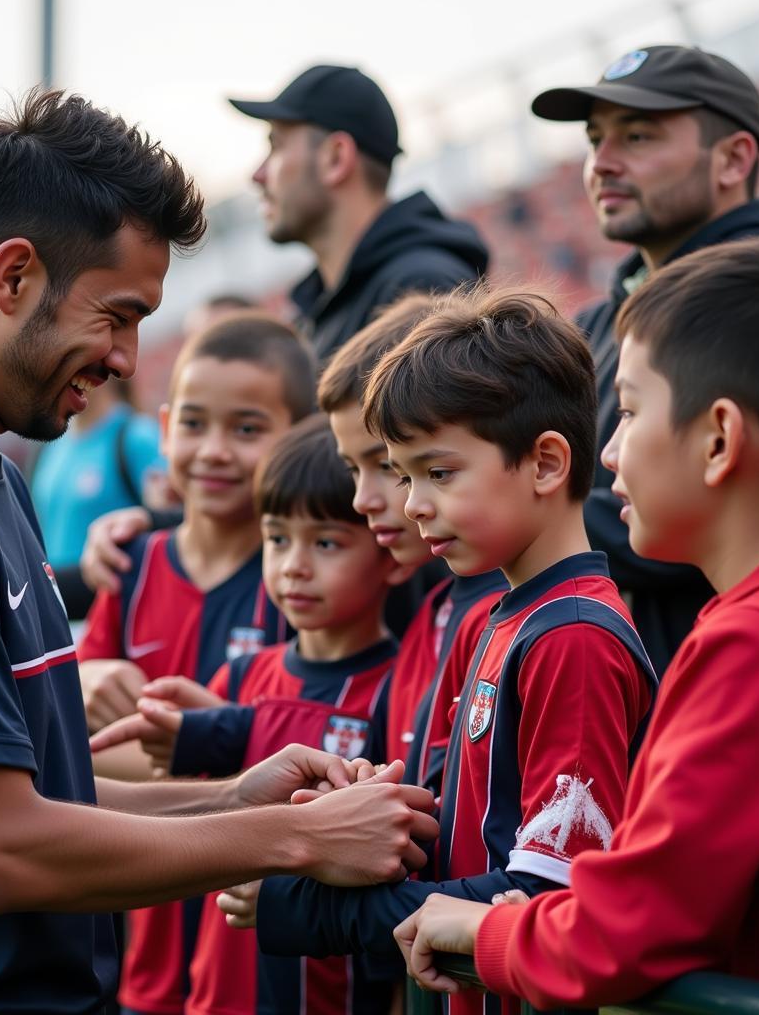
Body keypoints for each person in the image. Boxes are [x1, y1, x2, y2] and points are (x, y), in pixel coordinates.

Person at [0, 88, 440, 1014]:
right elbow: (4, 854)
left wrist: (242, 800)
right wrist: (298, 844)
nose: (127, 358)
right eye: (117, 315)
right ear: (12, 276)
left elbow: (44, 802)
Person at [393, 236, 759, 1004]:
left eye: (630, 411)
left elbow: (635, 924)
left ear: (718, 440)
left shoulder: (752, 640)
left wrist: (490, 933)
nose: (606, 452)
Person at [248, 286, 658, 1015]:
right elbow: (477, 846)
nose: (411, 504)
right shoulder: (503, 619)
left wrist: (311, 909)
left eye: (437, 473)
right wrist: (361, 834)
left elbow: (548, 895)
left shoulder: (572, 639)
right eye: (404, 476)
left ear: (545, 464)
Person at [96, 413, 411, 1014]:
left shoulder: (395, 687)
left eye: (325, 543)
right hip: (214, 990)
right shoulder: (240, 679)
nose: (293, 565)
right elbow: (196, 810)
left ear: (391, 554)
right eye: (277, 538)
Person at [75, 312, 315, 1015]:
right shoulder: (132, 565)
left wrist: (166, 751)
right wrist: (86, 684)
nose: (214, 451)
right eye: (195, 424)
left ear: (298, 437)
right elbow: (73, 755)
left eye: (246, 429)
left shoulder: (304, 587)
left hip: (253, 957)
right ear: (165, 424)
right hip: (142, 955)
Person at [530, 43, 759, 672]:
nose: (602, 163)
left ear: (732, 158)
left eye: (638, 137)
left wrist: (499, 511)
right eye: (595, 139)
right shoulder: (597, 320)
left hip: (742, 677)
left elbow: (694, 501)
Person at [317, 293, 506, 787]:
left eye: (385, 466)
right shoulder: (435, 610)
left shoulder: (498, 617)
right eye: (350, 469)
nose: (362, 499)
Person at [228, 64, 489, 360]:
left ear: (336, 158)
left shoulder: (420, 291)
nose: (257, 174)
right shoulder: (320, 309)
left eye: (276, 146)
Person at [30, 375, 162, 615]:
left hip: (111, 614)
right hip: (59, 618)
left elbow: (166, 524)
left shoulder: (138, 436)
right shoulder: (49, 448)